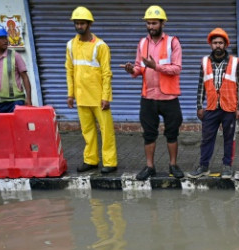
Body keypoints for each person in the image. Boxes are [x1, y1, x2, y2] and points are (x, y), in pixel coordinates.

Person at [124, 5, 184, 181]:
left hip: (169, 97)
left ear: (163, 23)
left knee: (172, 133)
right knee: (149, 134)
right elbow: (139, 68)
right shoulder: (142, 43)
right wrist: (131, 70)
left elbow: (177, 68)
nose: (151, 26)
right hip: (148, 97)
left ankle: (173, 165)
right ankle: (150, 167)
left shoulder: (173, 42)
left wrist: (155, 66)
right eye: (148, 23)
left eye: (154, 23)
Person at [66, 7, 118, 174]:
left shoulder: (101, 46)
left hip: (98, 97)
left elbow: (106, 73)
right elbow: (70, 70)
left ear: (89, 25)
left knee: (106, 130)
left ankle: (109, 162)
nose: (79, 26)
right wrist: (70, 94)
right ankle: (91, 160)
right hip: (81, 97)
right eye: (77, 23)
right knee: (87, 131)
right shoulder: (70, 45)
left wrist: (106, 96)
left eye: (82, 23)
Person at [191, 28, 239, 180]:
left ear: (226, 45)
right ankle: (203, 166)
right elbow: (201, 85)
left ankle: (227, 166)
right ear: (211, 45)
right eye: (215, 43)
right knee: (207, 138)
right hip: (211, 107)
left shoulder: (234, 62)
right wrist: (199, 106)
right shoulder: (205, 62)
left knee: (229, 138)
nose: (218, 45)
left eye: (221, 42)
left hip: (229, 108)